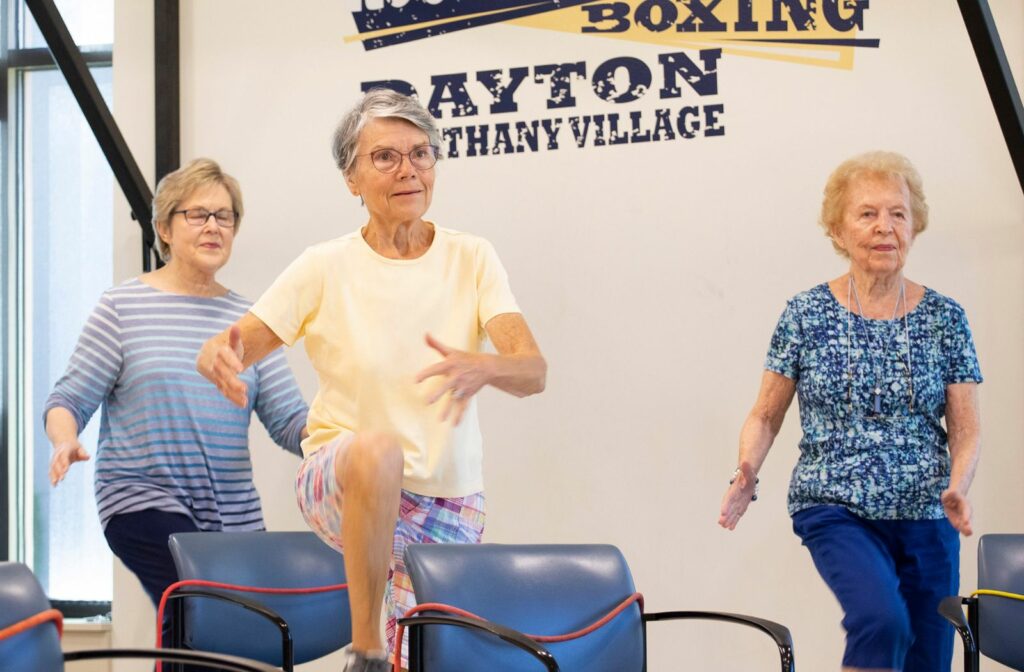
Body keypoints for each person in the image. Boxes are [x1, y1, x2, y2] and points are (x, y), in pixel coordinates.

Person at [197, 88, 546, 672]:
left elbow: (532, 370)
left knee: (433, 657)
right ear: (351, 179)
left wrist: (486, 366)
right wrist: (218, 353)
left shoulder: (473, 256)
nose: (408, 169)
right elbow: (238, 343)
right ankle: (366, 651)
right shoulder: (323, 265)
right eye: (385, 157)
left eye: (421, 153)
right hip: (342, 478)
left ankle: (390, 655)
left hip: (448, 498)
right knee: (378, 449)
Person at [718, 150, 982, 672]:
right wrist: (746, 469)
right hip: (835, 504)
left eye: (898, 214)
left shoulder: (946, 318)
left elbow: (967, 429)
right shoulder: (806, 313)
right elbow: (766, 414)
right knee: (881, 621)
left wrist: (958, 485)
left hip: (928, 511)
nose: (885, 227)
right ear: (838, 231)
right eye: (867, 214)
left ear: (915, 225)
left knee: (927, 659)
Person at [45, 158, 309, 649]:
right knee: (195, 609)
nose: (213, 226)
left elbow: (292, 422)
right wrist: (64, 441)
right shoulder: (122, 308)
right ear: (164, 227)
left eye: (225, 216)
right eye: (197, 214)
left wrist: (348, 440)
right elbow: (68, 399)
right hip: (140, 499)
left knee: (232, 636)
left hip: (231, 513)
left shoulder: (250, 322)